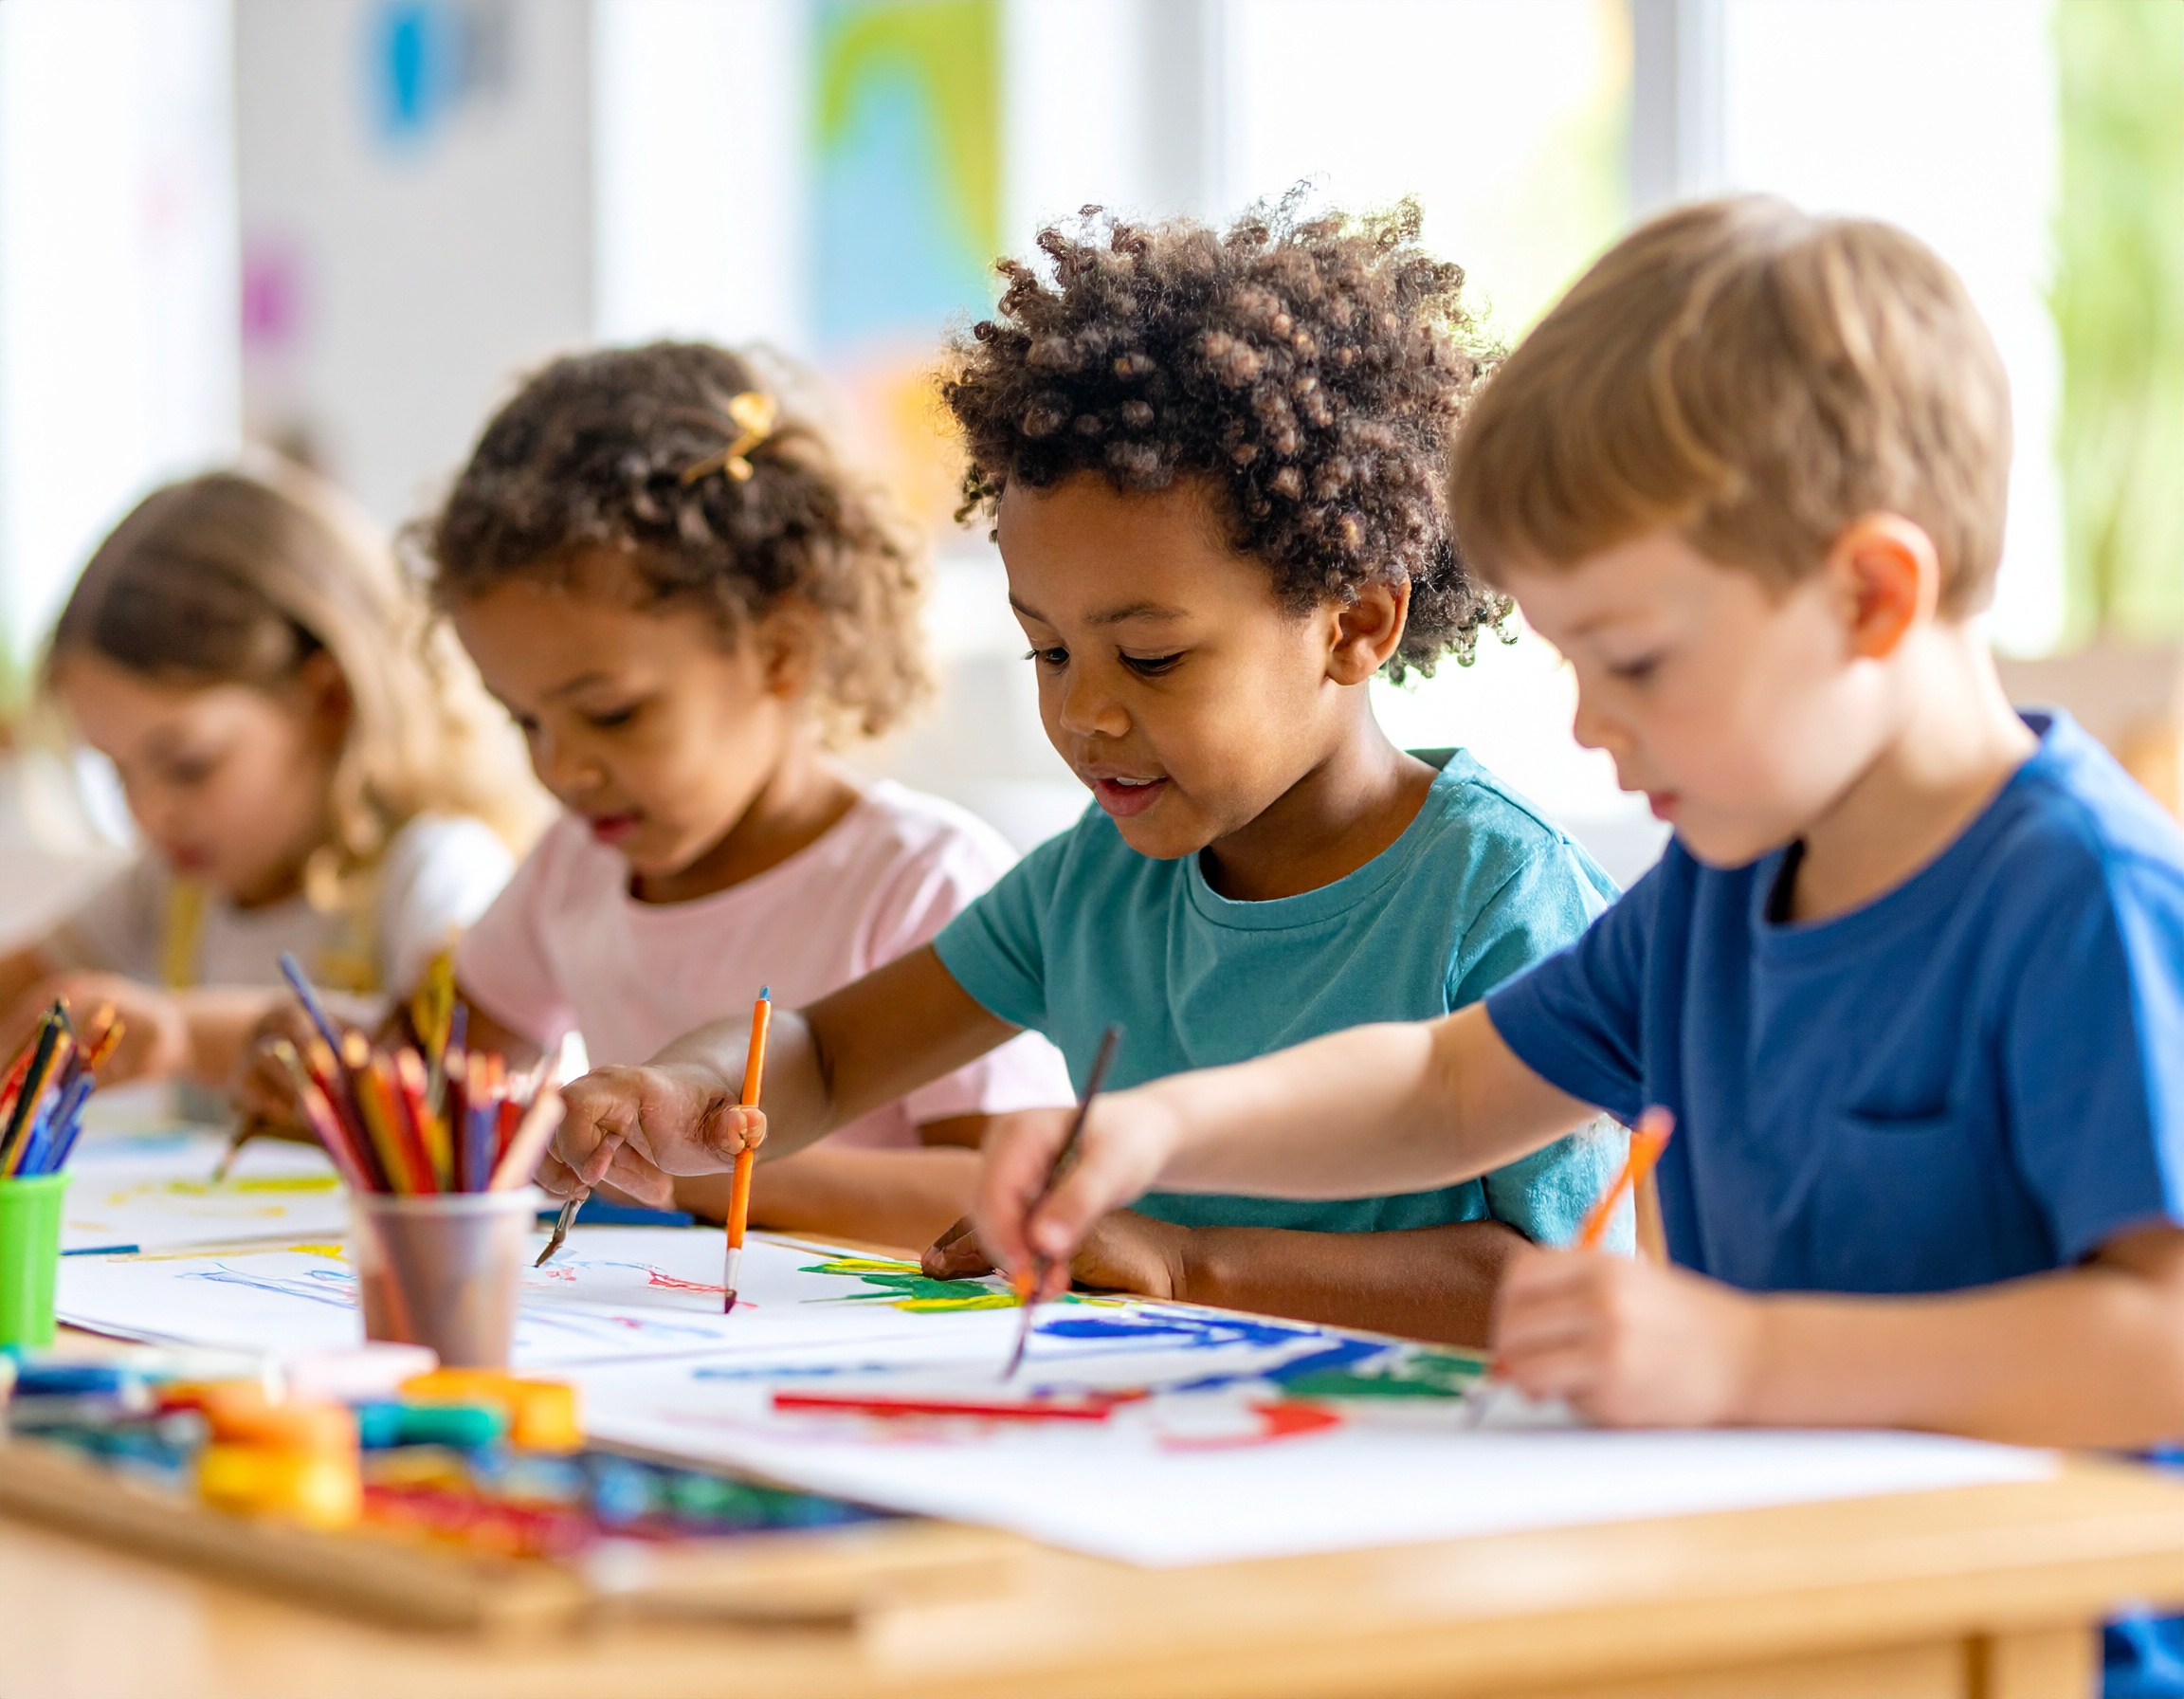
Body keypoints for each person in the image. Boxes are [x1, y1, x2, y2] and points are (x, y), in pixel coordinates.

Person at [541, 201, 1629, 1346]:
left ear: (1353, 624)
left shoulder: (1500, 897)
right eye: (1047, 651)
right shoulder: (1092, 886)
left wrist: (1184, 1261)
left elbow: (1559, 1279)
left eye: (1151, 658)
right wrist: (685, 1087)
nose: (1081, 713)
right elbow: (828, 1052)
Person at [414, 341, 1071, 1249]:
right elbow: (443, 1077)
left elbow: (999, 1192)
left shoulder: (918, 880)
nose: (561, 769)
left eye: (611, 714)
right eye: (523, 720)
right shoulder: (576, 863)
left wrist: (695, 1174)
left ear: (780, 651)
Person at [0, 460, 525, 1104]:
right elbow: (18, 994)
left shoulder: (432, 868)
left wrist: (185, 1036)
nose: (148, 813)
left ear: (328, 702)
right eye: (116, 771)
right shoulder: (170, 887)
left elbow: (455, 1064)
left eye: (189, 765)